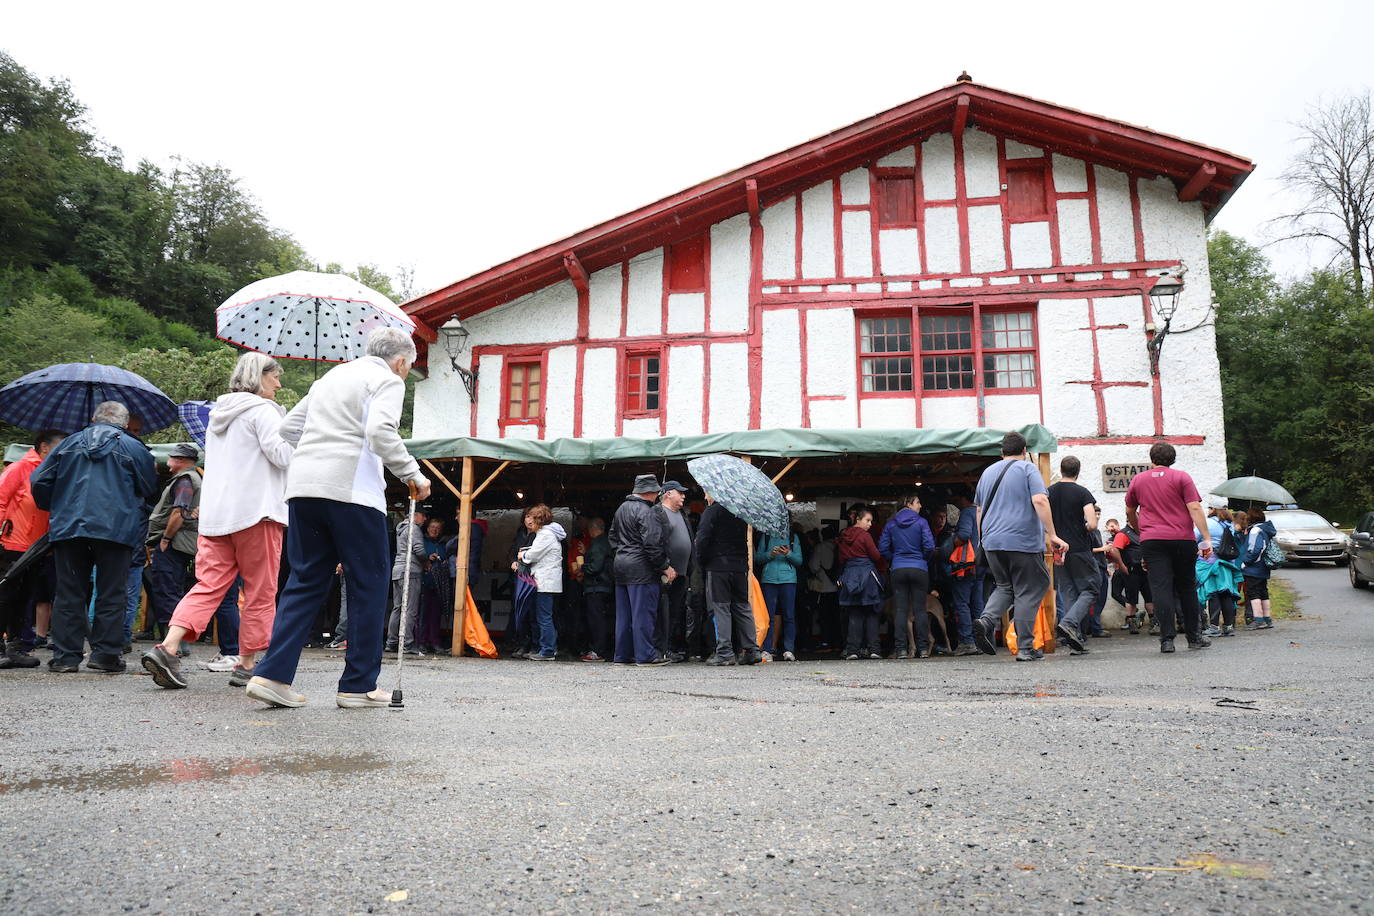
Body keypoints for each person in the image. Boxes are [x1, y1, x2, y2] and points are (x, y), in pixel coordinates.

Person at [246, 327, 431, 709]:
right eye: (407, 367)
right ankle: (358, 686)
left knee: (304, 582)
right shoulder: (386, 379)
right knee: (369, 585)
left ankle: (271, 674)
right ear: (400, 361)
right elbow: (381, 432)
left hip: (303, 488)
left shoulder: (332, 376)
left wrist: (321, 450)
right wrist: (413, 474)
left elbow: (288, 428)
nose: (405, 373)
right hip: (352, 493)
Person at [141, 353, 293, 690]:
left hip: (216, 516)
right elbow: (282, 456)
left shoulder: (217, 415)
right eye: (274, 377)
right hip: (257, 512)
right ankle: (247, 664)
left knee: (208, 586)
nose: (279, 384)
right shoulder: (263, 411)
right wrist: (294, 431)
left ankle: (168, 647)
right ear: (259, 377)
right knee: (259, 591)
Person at [30, 401, 158, 673]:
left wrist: (56, 506)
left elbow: (38, 480)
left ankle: (66, 657)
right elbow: (148, 487)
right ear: (124, 425)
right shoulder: (134, 447)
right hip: (116, 528)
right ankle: (105, 656)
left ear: (93, 418)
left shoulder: (68, 444)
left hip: (69, 527)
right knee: (112, 592)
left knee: (68, 592)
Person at [971, 432, 1069, 662]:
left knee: (1005, 586)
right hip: (1021, 540)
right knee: (1032, 587)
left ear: (1001, 452)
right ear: (1024, 451)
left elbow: (978, 510)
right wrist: (1052, 534)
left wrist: (983, 539)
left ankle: (986, 621)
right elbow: (1040, 500)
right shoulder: (1027, 469)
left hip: (992, 541)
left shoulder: (987, 472)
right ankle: (1026, 647)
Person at [1124, 442, 1213, 653]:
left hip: (1152, 540)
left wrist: (1140, 531)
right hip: (1182, 538)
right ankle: (1194, 637)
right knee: (1187, 586)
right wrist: (1206, 538)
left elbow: (1129, 510)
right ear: (1172, 459)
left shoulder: (1138, 480)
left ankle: (1167, 640)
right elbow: (1194, 506)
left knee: (1160, 589)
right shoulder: (1182, 477)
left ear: (1151, 459)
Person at [0, 429, 65, 669]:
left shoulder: (52, 472)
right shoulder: (20, 467)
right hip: (11, 543)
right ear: (45, 447)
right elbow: (1, 499)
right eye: (60, 446)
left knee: (25, 597)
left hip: (37, 546)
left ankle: (16, 647)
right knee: (6, 596)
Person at [609, 475, 675, 666]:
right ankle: (645, 656)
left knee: (624, 615)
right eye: (656, 492)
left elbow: (613, 537)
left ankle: (622, 655)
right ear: (649, 492)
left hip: (621, 566)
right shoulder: (648, 512)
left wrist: (623, 553)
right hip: (642, 569)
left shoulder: (622, 508)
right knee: (643, 614)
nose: (657, 495)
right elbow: (652, 544)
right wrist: (664, 566)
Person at [143, 443, 203, 642]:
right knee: (174, 589)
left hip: (175, 542)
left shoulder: (185, 480)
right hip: (184, 542)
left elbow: (178, 512)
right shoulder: (194, 477)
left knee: (166, 590)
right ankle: (178, 642)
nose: (168, 463)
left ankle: (172, 643)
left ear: (180, 460)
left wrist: (165, 539)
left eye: (171, 458)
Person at [694, 493, 760, 666]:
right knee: (742, 607)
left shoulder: (712, 511)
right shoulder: (739, 512)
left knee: (721, 608)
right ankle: (752, 650)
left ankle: (724, 652)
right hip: (739, 567)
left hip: (718, 566)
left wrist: (700, 560)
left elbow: (702, 539)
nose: (705, 495)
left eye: (707, 492)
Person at [1046, 456, 1099, 656]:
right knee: (1091, 589)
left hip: (1058, 548)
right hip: (1078, 548)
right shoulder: (1082, 492)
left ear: (1061, 470)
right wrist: (1083, 528)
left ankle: (1074, 640)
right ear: (1078, 471)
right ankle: (1068, 623)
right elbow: (1092, 524)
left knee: (1068, 593)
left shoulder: (1049, 492)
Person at [877, 491, 936, 658]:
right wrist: (922, 560)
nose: (920, 505)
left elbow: (882, 548)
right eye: (917, 502)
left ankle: (901, 649)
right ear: (908, 503)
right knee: (920, 610)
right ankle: (923, 649)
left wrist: (894, 559)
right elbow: (930, 547)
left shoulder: (891, 524)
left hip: (898, 569)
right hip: (919, 569)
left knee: (901, 610)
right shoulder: (922, 522)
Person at [517, 504, 566, 660]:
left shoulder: (545, 534)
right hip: (548, 580)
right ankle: (548, 648)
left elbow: (534, 554)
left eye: (532, 517)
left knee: (544, 617)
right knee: (545, 616)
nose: (530, 521)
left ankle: (547, 650)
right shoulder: (550, 533)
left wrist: (522, 556)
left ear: (539, 519)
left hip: (544, 581)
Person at [837, 509, 885, 659]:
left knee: (854, 614)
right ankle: (874, 649)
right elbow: (876, 556)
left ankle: (852, 651)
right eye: (867, 520)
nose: (870, 524)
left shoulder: (843, 536)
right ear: (858, 519)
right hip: (867, 575)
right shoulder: (865, 536)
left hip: (850, 575)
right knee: (871, 613)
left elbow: (840, 558)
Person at [656, 481, 694, 662]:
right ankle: (661, 648)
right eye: (680, 493)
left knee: (675, 612)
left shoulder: (681, 514)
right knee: (663, 611)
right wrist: (664, 566)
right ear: (669, 493)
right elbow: (655, 542)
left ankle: (669, 647)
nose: (684, 496)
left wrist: (688, 568)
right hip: (666, 572)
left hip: (681, 573)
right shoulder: (658, 513)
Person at [755, 523, 803, 662]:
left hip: (788, 579)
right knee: (768, 616)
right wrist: (770, 554)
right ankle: (767, 649)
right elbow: (758, 559)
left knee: (789, 615)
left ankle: (789, 649)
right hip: (769, 579)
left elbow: (799, 560)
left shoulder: (793, 537)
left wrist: (788, 553)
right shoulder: (767, 536)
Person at [386, 506, 430, 655]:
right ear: (415, 515)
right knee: (410, 609)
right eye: (423, 516)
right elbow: (418, 550)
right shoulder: (414, 529)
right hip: (410, 571)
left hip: (397, 569)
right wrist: (427, 561)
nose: (425, 519)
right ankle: (407, 644)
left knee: (397, 607)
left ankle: (391, 642)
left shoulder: (400, 528)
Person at [1197, 499, 1242, 637]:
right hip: (1228, 564)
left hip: (1211, 564)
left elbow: (1194, 537)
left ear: (1213, 509)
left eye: (1209, 508)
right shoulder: (1230, 524)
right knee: (1226, 594)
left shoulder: (1208, 523)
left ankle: (1214, 626)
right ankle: (1228, 626)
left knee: (1214, 594)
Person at [946, 490, 982, 656]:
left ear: (964, 498)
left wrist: (952, 542)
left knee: (961, 603)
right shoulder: (983, 511)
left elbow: (965, 534)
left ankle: (967, 642)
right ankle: (982, 640)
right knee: (977, 603)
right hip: (982, 562)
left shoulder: (967, 512)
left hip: (967, 564)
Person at [1105, 517, 1153, 632]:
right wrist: (1121, 565)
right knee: (1131, 598)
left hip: (1145, 570)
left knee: (1149, 597)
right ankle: (1132, 624)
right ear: (1129, 521)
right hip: (1131, 571)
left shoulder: (1143, 531)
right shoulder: (1123, 534)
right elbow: (1115, 550)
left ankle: (1153, 622)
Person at [578, 518, 613, 661]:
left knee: (596, 620)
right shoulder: (605, 542)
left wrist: (583, 567)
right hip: (604, 585)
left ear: (592, 529)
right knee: (601, 619)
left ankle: (597, 651)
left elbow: (595, 566)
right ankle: (601, 649)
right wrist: (587, 553)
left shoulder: (598, 543)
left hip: (596, 586)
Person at [806, 525, 841, 653]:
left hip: (824, 588)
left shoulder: (820, 548)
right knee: (836, 617)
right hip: (838, 588)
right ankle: (838, 643)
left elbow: (813, 566)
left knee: (825, 618)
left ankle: (827, 642)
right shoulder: (839, 546)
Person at [1241, 507, 1278, 630]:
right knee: (1263, 592)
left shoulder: (1255, 530)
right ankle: (1267, 619)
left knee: (1253, 592)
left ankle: (1258, 620)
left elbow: (1255, 549)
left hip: (1254, 567)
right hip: (1263, 566)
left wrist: (1246, 562)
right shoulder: (1265, 529)